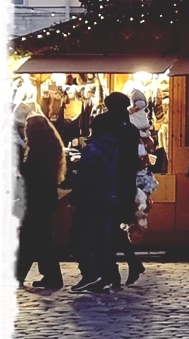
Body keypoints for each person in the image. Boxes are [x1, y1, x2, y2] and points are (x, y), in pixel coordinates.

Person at [90, 92, 144, 287]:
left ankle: (113, 273)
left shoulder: (102, 123)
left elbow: (97, 152)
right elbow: (132, 161)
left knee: (105, 229)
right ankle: (128, 266)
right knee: (112, 228)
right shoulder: (131, 129)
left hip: (106, 182)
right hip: (124, 184)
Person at [16, 113, 66, 290]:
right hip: (45, 198)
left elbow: (31, 175)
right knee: (39, 238)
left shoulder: (37, 152)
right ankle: (49, 276)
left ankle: (22, 275)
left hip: (37, 199)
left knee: (33, 238)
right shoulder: (50, 149)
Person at [69, 116, 119, 293]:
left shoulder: (94, 147)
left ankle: (90, 273)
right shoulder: (115, 146)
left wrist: (75, 197)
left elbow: (86, 175)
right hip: (108, 196)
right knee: (100, 239)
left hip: (91, 198)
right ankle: (103, 276)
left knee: (77, 238)